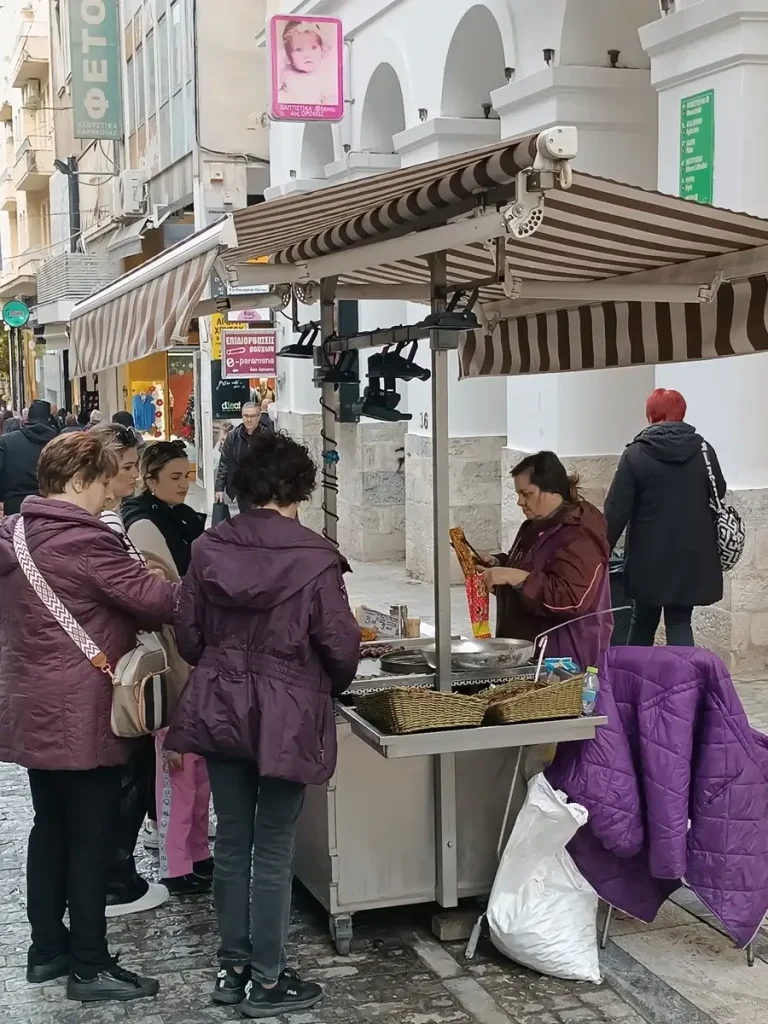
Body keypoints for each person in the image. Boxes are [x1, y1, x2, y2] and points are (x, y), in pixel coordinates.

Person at [166, 431, 361, 1016]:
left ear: (244, 485)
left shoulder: (207, 548)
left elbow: (189, 636)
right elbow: (341, 644)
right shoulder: (316, 557)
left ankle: (233, 971)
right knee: (273, 847)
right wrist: (324, 684)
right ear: (300, 488)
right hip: (288, 713)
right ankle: (269, 982)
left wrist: (229, 667)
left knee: (233, 844)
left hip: (221, 704)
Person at [0, 432, 177, 1003]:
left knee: (49, 828)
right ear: (77, 481)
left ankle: (47, 951)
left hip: (31, 706)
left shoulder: (16, 533)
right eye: (105, 481)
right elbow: (157, 603)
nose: (109, 495)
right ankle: (89, 966)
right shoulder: (88, 542)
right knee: (91, 837)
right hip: (84, 710)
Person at [122, 441, 210, 896]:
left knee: (197, 761)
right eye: (175, 477)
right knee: (178, 759)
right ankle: (178, 861)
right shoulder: (144, 523)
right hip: (172, 652)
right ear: (150, 479)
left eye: (187, 475)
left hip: (190, 646)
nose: (184, 484)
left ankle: (196, 850)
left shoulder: (180, 516)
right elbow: (175, 586)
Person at [92, 425, 169, 918]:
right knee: (122, 777)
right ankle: (115, 881)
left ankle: (112, 876)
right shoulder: (105, 527)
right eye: (125, 469)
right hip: (109, 669)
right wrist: (155, 583)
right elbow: (140, 599)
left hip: (98, 668)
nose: (133, 477)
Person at [604, 388, 726, 647]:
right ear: (682, 414)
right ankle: (683, 684)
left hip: (649, 559)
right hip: (692, 555)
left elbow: (617, 509)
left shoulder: (635, 454)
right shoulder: (704, 450)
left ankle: (636, 683)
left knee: (643, 620)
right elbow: (719, 490)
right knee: (680, 621)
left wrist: (599, 550)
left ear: (650, 415)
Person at [480, 451, 612, 669]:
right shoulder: (533, 526)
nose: (520, 502)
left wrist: (517, 577)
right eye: (518, 494)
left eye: (527, 494)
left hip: (562, 658)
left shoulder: (579, 534)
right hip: (527, 653)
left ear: (552, 491)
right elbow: (533, 568)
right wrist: (498, 566)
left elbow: (571, 598)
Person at [0, 399, 59, 516]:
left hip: (16, 505)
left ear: (27, 418)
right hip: (50, 504)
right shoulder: (58, 442)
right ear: (49, 419)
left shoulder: (7, 441)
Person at [215, 402, 265, 512]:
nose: (249, 419)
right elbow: (224, 461)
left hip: (262, 486)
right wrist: (219, 488)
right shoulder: (233, 436)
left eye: (252, 416)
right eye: (246, 416)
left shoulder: (267, 435)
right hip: (242, 487)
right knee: (246, 517)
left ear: (259, 416)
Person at [279, 20, 337, 106]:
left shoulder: (325, 75)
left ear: (322, 49)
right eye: (299, 50)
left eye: (313, 48)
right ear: (289, 56)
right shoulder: (286, 75)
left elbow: (331, 103)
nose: (307, 55)